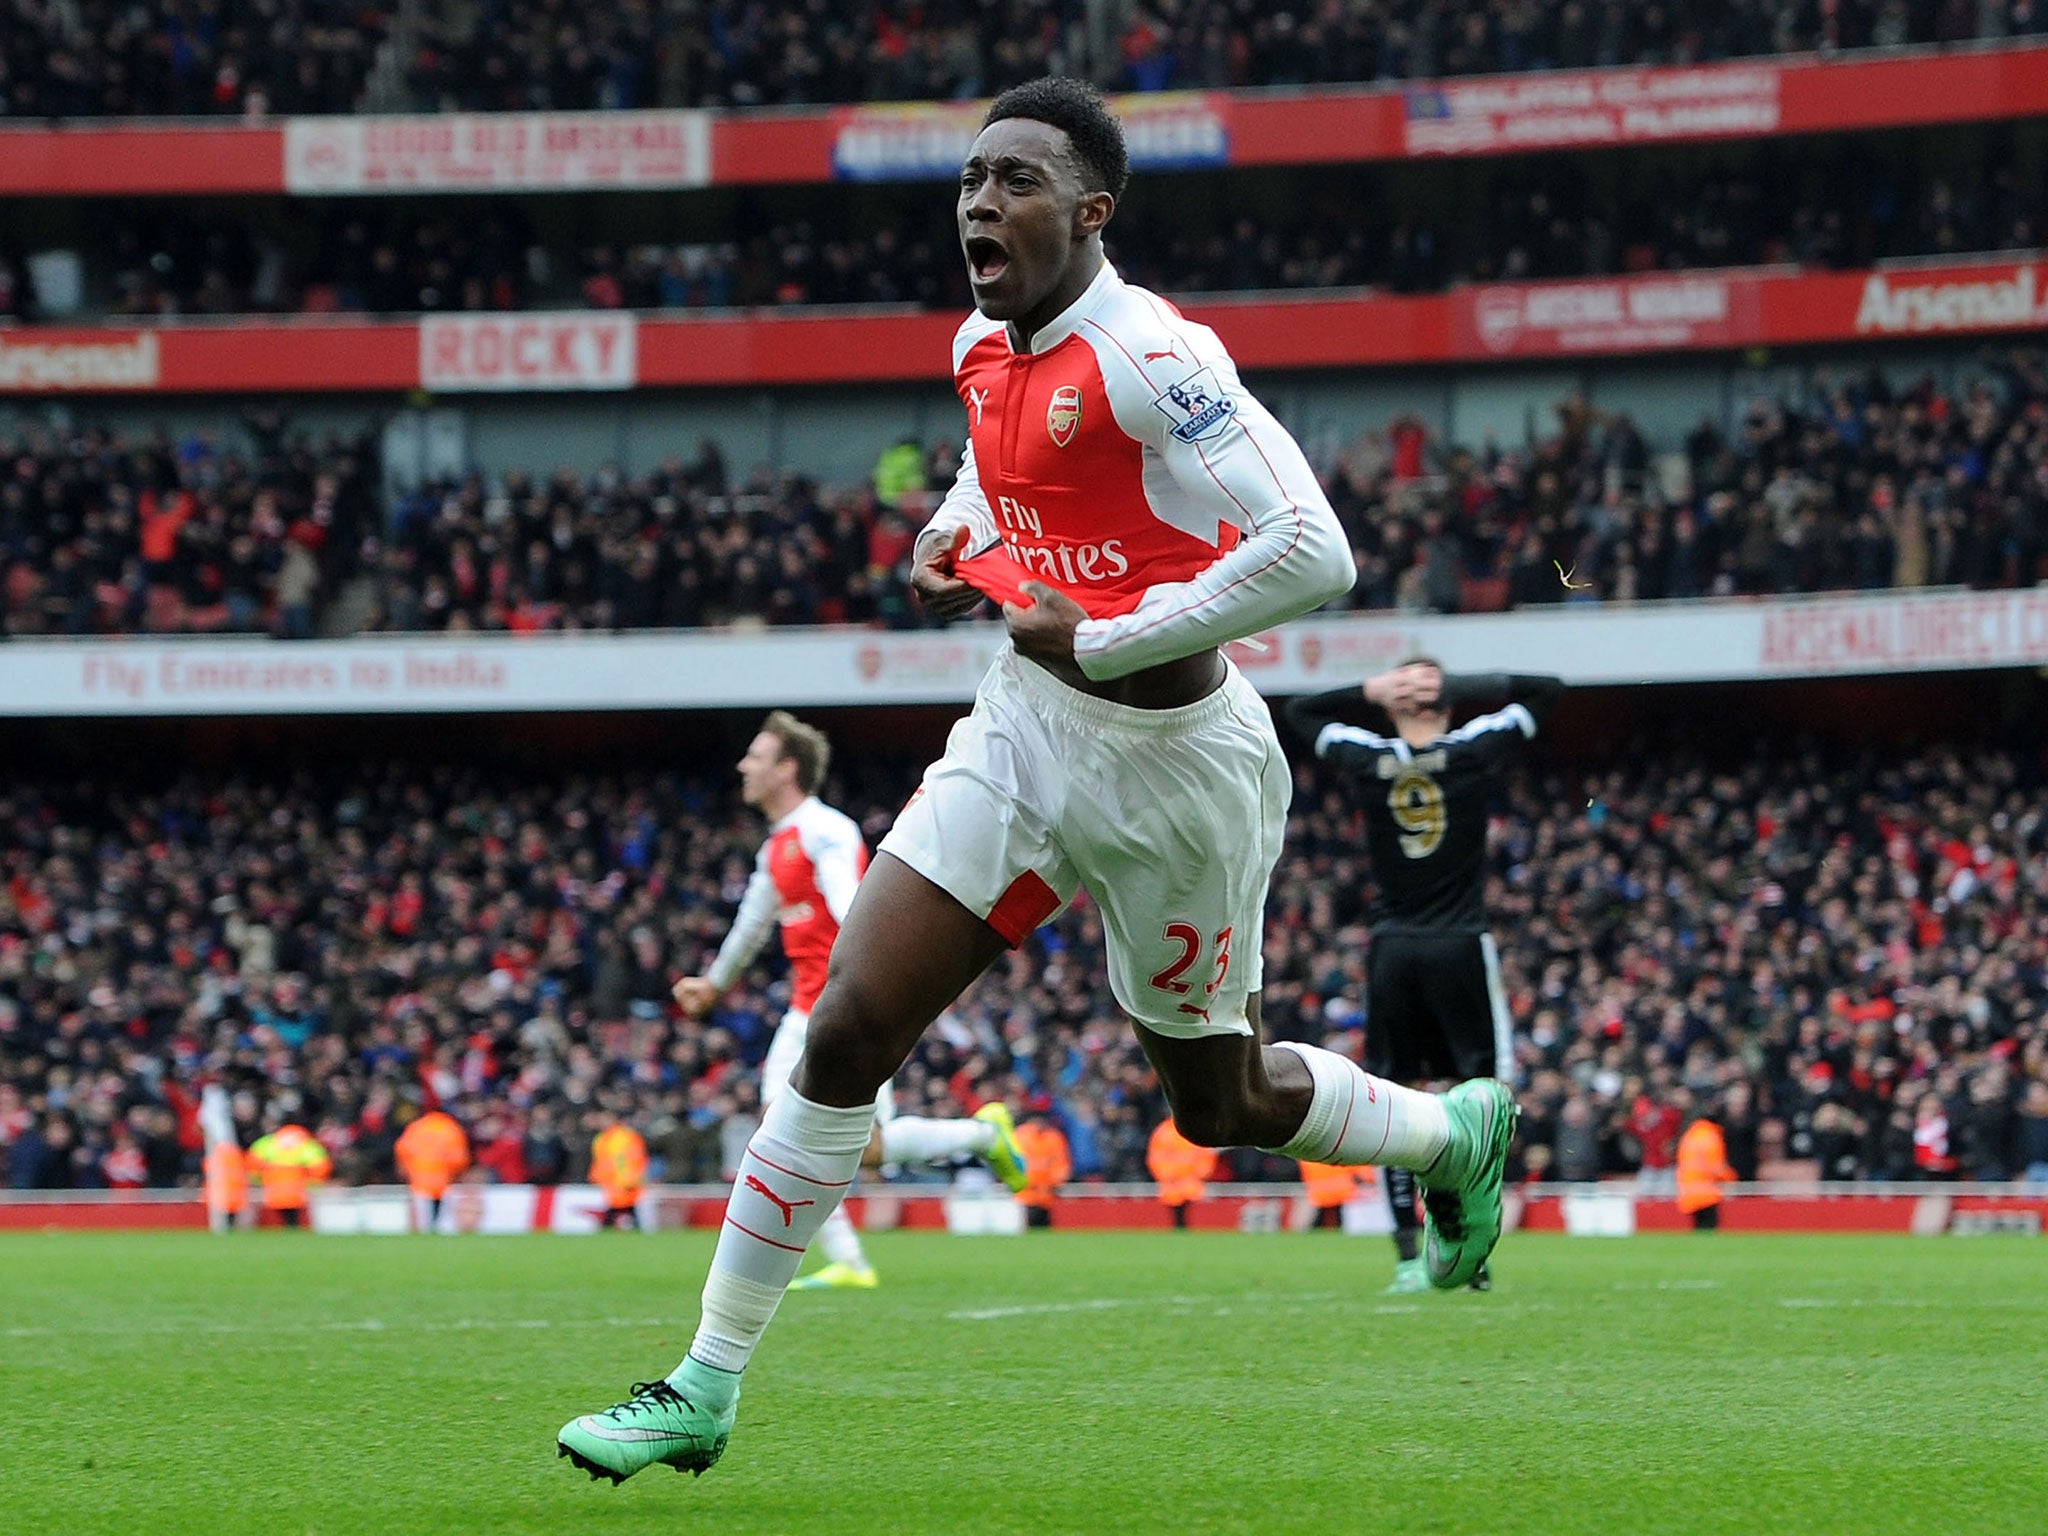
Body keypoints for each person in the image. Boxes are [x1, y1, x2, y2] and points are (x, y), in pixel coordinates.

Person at [557, 77, 1515, 1487]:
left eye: (1013, 181)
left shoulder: (1154, 353)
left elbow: (1315, 550)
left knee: (1217, 1103)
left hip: (1182, 772)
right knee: (841, 1039)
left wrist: (1108, 633)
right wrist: (951, 538)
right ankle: (702, 1387)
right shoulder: (980, 344)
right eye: (968, 182)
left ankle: (1453, 1132)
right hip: (1023, 733)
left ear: (1091, 211)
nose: (979, 205)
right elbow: (995, 479)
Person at [674, 710, 1029, 1288]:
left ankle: (982, 1137)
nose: (745, 765)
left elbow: (852, 904)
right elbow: (752, 923)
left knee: (862, 1146)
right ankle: (850, 1261)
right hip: (806, 1009)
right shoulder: (778, 848)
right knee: (786, 1128)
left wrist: (875, 977)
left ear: (787, 769)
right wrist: (713, 983)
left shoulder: (825, 831)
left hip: (850, 1005)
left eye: (757, 756)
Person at [1285, 657, 1562, 1293]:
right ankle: (1471, 1252)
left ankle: (1409, 1255)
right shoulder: (1471, 748)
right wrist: (1459, 686)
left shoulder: (1366, 753)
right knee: (1483, 1099)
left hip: (1394, 951)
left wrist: (1370, 687)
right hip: (1460, 945)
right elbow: (1546, 688)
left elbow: (1303, 712)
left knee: (1393, 1098)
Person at [395, 1106, 471, 1231]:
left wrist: (406, 1168)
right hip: (443, 1178)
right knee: (441, 1216)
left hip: (418, 1177)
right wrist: (456, 1172)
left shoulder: (416, 1127)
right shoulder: (451, 1129)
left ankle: (421, 1232)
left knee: (422, 1216)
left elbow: (402, 1149)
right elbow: (459, 1158)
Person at [245, 1121, 332, 1229]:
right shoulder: (306, 1144)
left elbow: (252, 1164)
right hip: (298, 1192)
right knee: (295, 1220)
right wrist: (313, 1183)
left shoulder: (268, 1143)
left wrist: (259, 1181)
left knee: (275, 1224)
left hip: (273, 1192)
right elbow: (321, 1166)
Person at [1146, 1114, 1217, 1229]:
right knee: (1176, 1212)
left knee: (1191, 1211)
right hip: (1173, 1182)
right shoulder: (1164, 1132)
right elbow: (1156, 1157)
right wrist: (1167, 1174)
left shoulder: (1195, 1131)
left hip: (1191, 1181)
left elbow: (1205, 1154)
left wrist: (1202, 1173)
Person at [1676, 1104, 1737, 1231]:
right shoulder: (1711, 1137)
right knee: (1709, 1228)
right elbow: (1717, 1167)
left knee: (1699, 1229)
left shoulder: (1689, 1136)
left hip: (1689, 1191)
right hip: (1707, 1193)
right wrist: (1732, 1178)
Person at [1013, 1109, 1071, 1228]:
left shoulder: (1054, 1138)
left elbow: (1061, 1163)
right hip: (1027, 1193)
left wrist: (1057, 1182)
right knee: (1029, 1225)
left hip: (1046, 1193)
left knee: (1043, 1226)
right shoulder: (1020, 1136)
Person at [591, 1116, 649, 1230]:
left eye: (606, 1120)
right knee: (622, 1205)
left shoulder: (626, 1137)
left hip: (624, 1178)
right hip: (609, 1180)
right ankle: (632, 1225)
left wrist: (631, 1176)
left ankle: (608, 1226)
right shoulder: (600, 1138)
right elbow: (599, 1159)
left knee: (624, 1204)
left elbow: (634, 1157)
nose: (603, 1123)